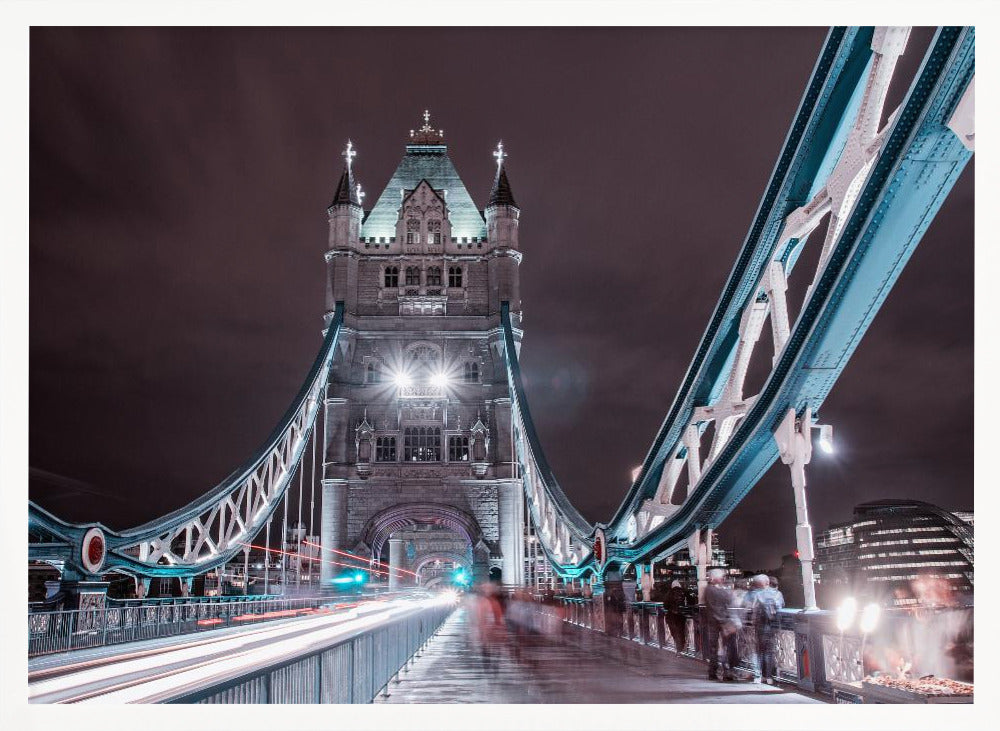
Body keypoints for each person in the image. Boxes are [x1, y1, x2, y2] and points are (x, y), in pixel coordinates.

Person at [704, 568, 741, 681]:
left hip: (713, 622)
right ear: (716, 578)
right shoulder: (713, 590)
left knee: (714, 648)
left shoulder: (708, 590)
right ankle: (725, 672)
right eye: (721, 578)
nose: (723, 579)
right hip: (722, 622)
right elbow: (727, 600)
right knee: (725, 648)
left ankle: (713, 672)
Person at [749, 574, 785, 685]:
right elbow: (781, 607)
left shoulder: (758, 594)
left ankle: (759, 676)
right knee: (769, 652)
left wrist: (753, 623)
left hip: (760, 627)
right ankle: (769, 676)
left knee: (759, 652)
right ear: (768, 582)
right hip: (772, 627)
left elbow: (753, 610)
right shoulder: (777, 594)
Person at [664, 580, 688, 652]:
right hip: (681, 615)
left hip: (672, 615)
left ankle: (678, 648)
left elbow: (665, 605)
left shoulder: (669, 593)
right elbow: (691, 601)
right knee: (681, 631)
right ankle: (683, 647)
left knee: (674, 632)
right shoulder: (684, 592)